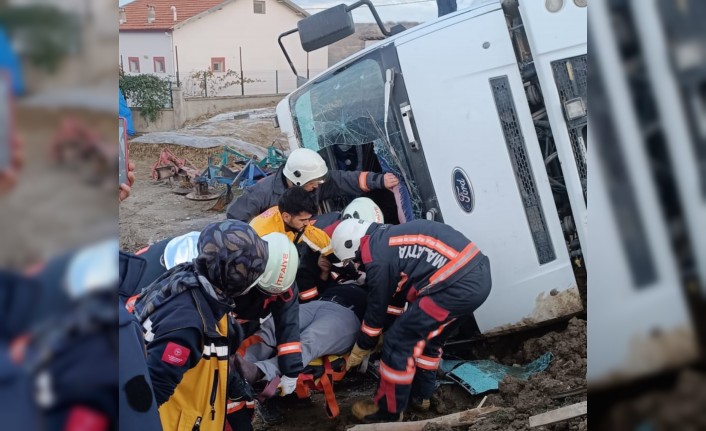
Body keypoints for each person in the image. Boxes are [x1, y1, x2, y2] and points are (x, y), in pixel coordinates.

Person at [130, 221, 298, 431]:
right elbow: (148, 397)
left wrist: (237, 388)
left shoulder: (197, 285)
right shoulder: (188, 324)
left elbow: (215, 359)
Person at [330, 219, 492, 423]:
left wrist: (363, 345)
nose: (357, 265)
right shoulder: (388, 238)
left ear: (351, 245)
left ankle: (388, 411)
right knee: (431, 340)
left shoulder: (376, 254)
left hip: (455, 287)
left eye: (352, 261)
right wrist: (387, 326)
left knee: (397, 342)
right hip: (476, 277)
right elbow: (398, 293)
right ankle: (421, 395)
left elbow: (376, 305)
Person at [226, 147, 399, 222]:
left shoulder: (314, 182)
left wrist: (379, 181)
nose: (317, 187)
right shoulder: (261, 193)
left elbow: (343, 180)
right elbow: (235, 217)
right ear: (297, 180)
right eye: (313, 183)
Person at [249, 186, 333, 302]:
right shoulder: (264, 236)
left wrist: (333, 254)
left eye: (308, 219)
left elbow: (312, 234)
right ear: (286, 217)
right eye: (303, 220)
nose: (307, 223)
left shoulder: (289, 218)